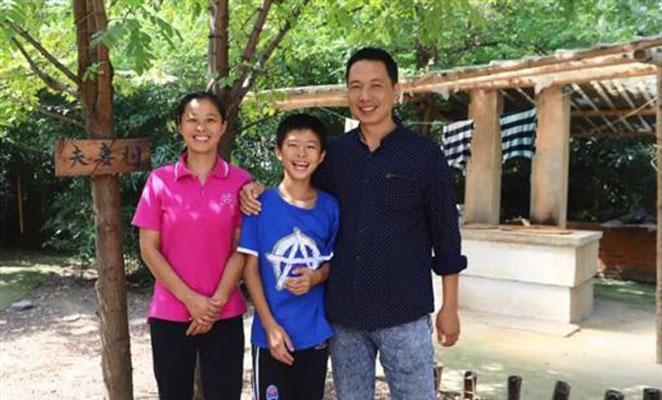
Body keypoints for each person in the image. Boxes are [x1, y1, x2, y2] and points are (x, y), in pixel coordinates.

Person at [241, 47, 467, 400]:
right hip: (345, 317)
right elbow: (299, 190)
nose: (365, 96)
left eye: (376, 85)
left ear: (396, 91)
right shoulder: (336, 154)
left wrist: (449, 307)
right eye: (355, 86)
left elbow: (447, 235)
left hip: (404, 313)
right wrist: (258, 189)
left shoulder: (424, 155)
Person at [132, 91, 250, 399]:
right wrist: (191, 301)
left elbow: (242, 248)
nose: (201, 128)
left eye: (210, 120)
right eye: (192, 120)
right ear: (179, 126)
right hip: (170, 313)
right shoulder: (159, 181)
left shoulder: (241, 182)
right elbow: (148, 249)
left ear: (223, 127)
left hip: (224, 313)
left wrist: (214, 305)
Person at [238, 114, 339, 400]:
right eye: (293, 145)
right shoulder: (259, 205)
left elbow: (333, 263)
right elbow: (250, 270)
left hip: (314, 333)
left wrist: (316, 277)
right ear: (278, 152)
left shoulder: (330, 208)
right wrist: (270, 327)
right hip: (269, 335)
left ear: (321, 156)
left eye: (310, 147)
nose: (301, 154)